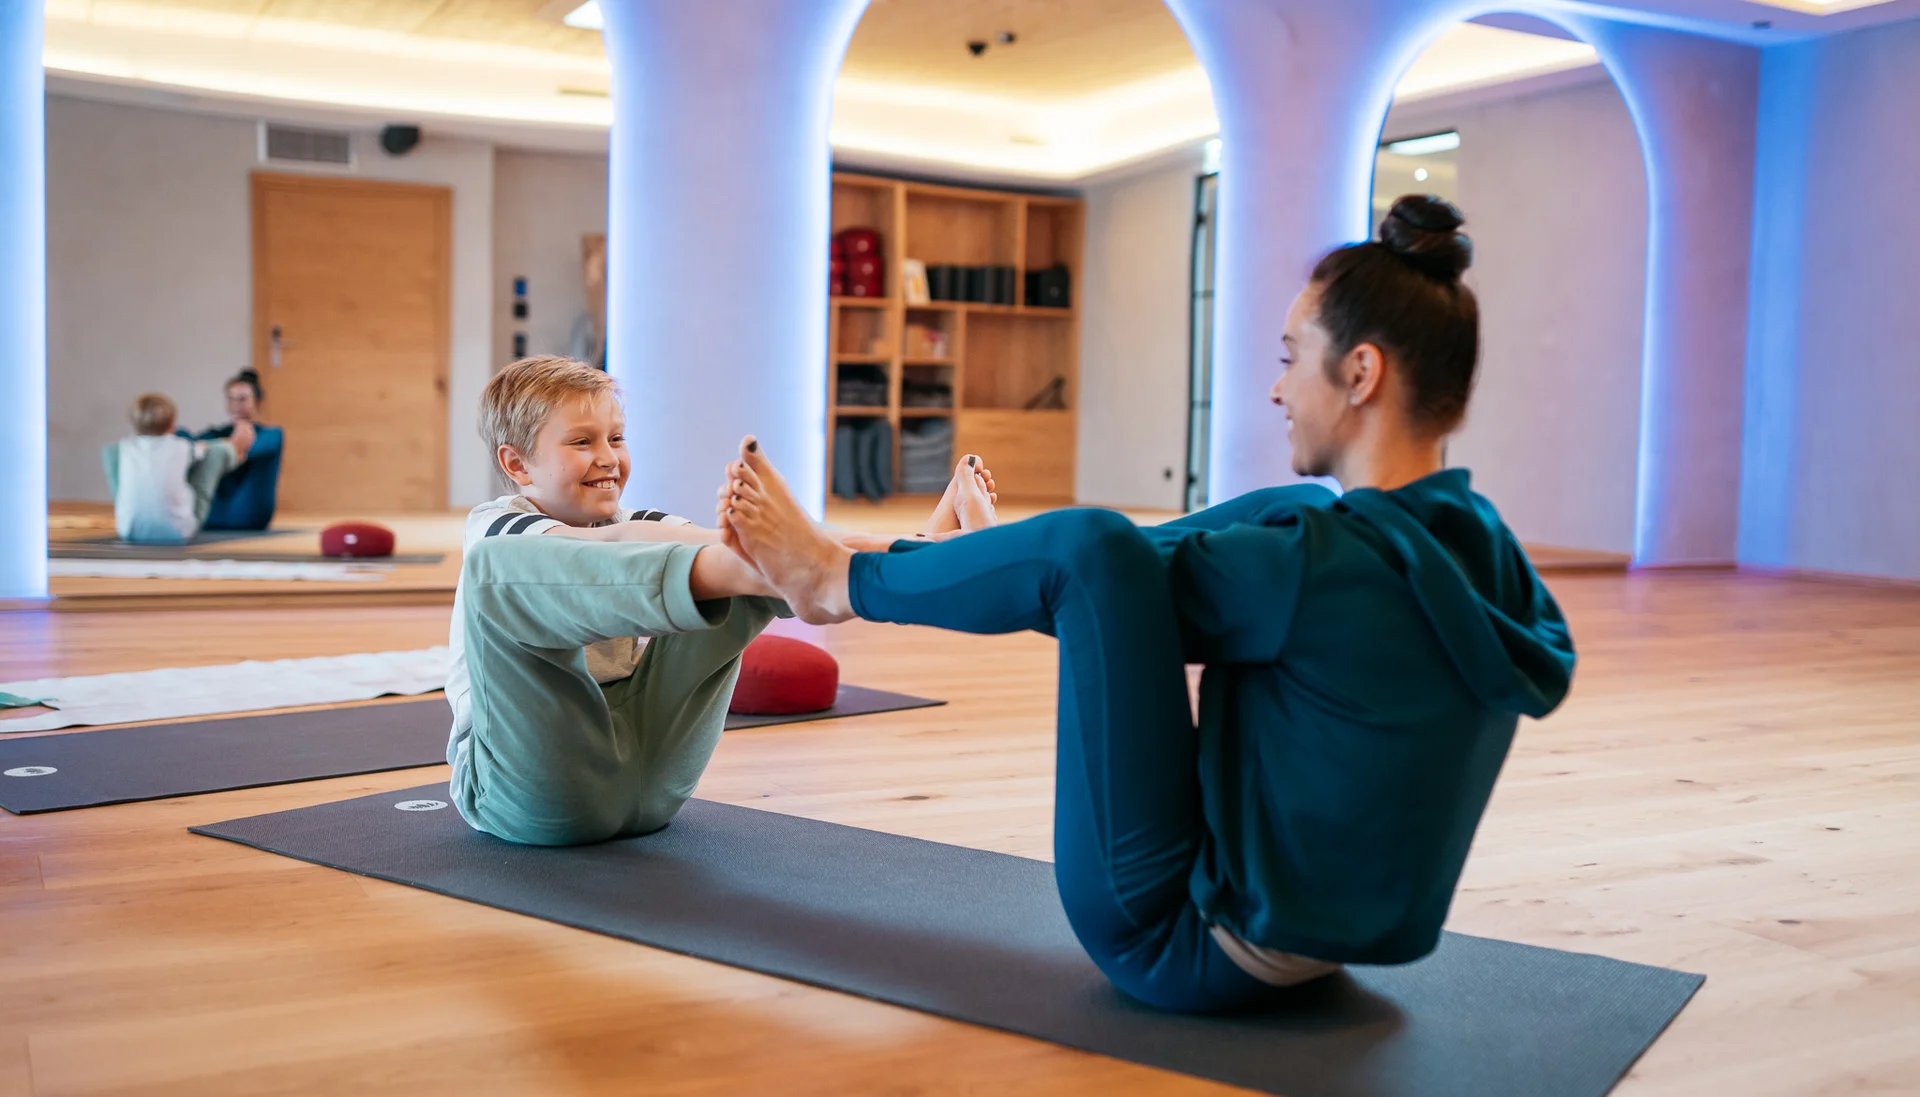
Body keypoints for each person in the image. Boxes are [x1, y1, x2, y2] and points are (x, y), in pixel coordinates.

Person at [718, 195, 1578, 1013]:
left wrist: (905, 567)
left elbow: (1094, 586)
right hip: (1329, 935)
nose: (1276, 390)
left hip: (1186, 942)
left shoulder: (1321, 568)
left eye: (1288, 358)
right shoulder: (1478, 543)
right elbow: (1148, 589)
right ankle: (952, 555)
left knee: (1086, 547)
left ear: (1360, 372)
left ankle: (833, 580)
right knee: (1291, 510)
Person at [450, 355, 997, 847]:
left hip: (650, 779)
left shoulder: (636, 522)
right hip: (529, 791)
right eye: (581, 442)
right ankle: (820, 569)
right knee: (499, 573)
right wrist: (769, 556)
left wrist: (915, 549)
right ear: (518, 466)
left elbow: (731, 544)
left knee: (747, 558)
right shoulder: (498, 528)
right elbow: (617, 546)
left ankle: (914, 565)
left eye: (616, 439)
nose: (608, 458)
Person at [103, 393, 251, 544]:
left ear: (134, 424)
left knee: (112, 454)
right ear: (172, 424)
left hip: (128, 530)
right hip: (179, 531)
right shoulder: (182, 447)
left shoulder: (123, 448)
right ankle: (237, 454)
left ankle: (131, 512)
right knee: (217, 452)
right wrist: (229, 447)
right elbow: (206, 451)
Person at [189, 368, 284, 531]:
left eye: (242, 399)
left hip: (249, 515)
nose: (236, 405)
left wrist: (226, 449)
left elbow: (252, 450)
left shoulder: (271, 434)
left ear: (257, 402)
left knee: (213, 451)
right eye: (231, 399)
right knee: (183, 436)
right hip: (212, 514)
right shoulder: (213, 434)